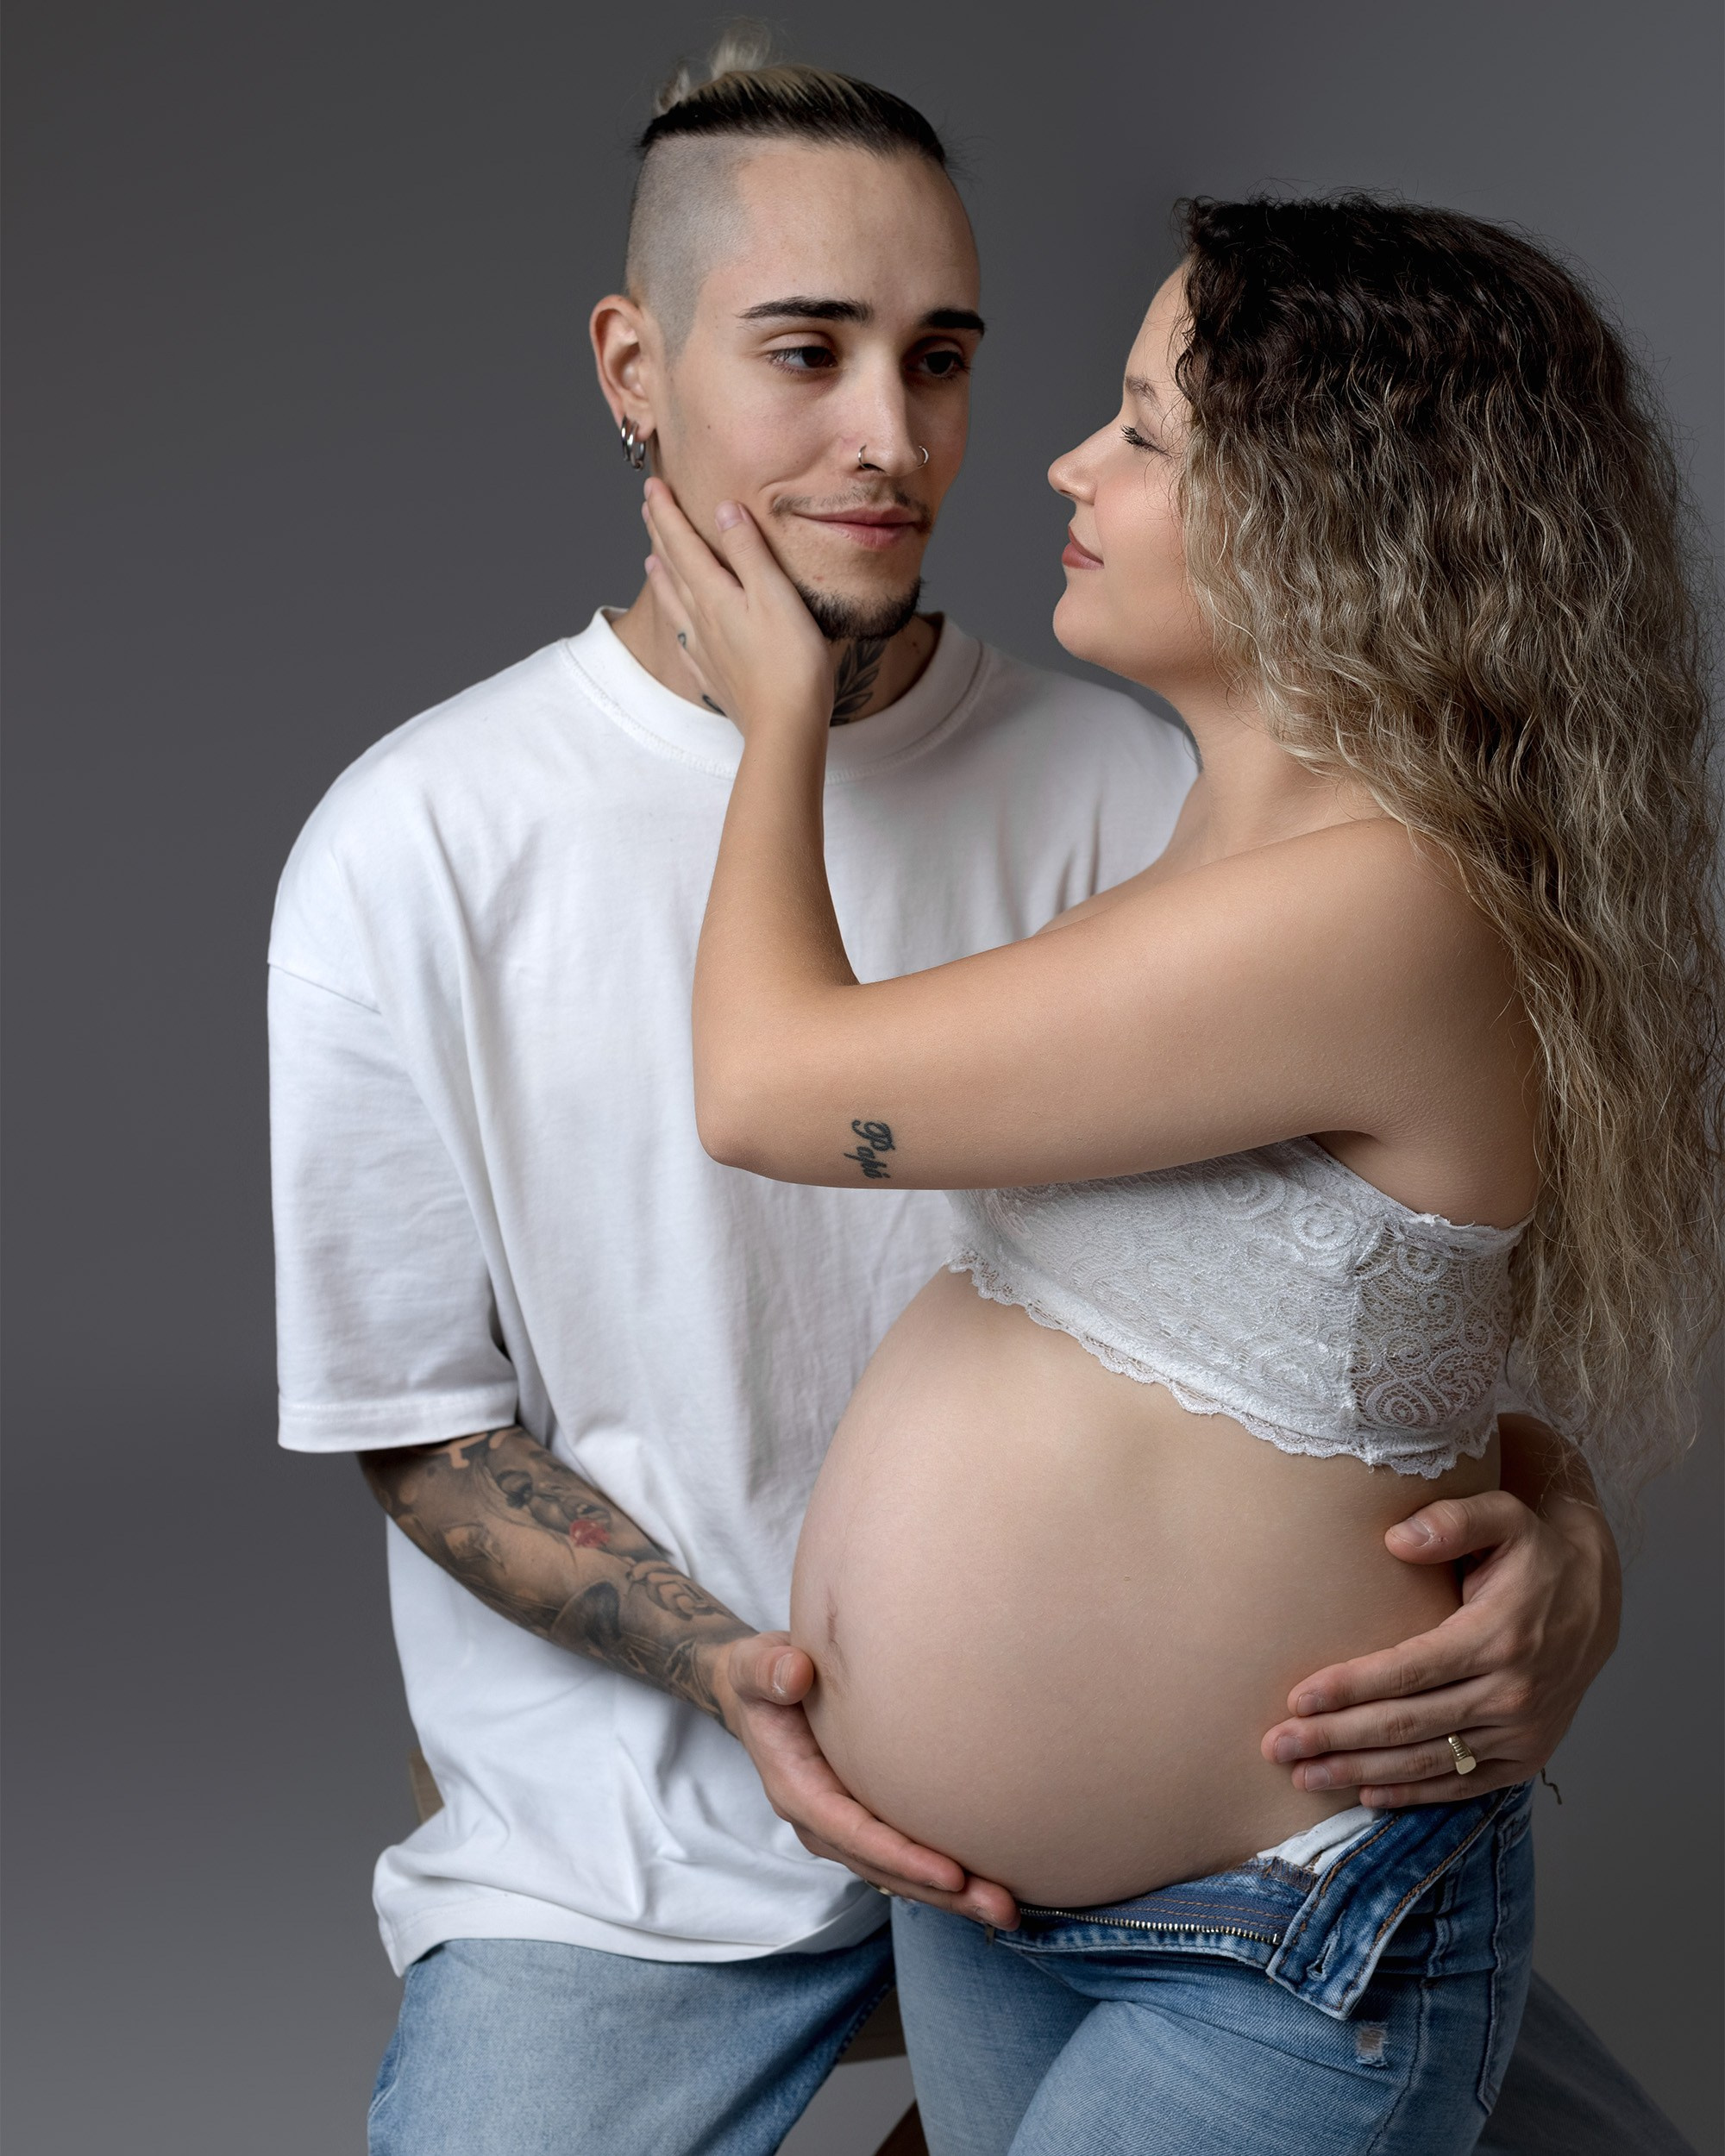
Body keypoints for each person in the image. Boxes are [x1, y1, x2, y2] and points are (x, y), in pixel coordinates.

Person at [268, 34, 1664, 2155]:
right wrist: (717, 1662)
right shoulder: (410, 842)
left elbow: (1367, 1301)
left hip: (1198, 1870)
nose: (898, 438)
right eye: (805, 352)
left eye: (942, 359)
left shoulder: (1166, 791)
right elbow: (423, 1427)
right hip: (656, 1831)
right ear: (632, 368)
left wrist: (1560, 1534)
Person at [645, 190, 1722, 2152]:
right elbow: (1332, 1338)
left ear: (1334, 515)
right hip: (1002, 1912)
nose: (1068, 462)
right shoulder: (1211, 864)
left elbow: (771, 1087)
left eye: (1144, 430)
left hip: (1268, 1935)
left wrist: (775, 715)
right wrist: (1546, 1492)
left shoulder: (1382, 903)